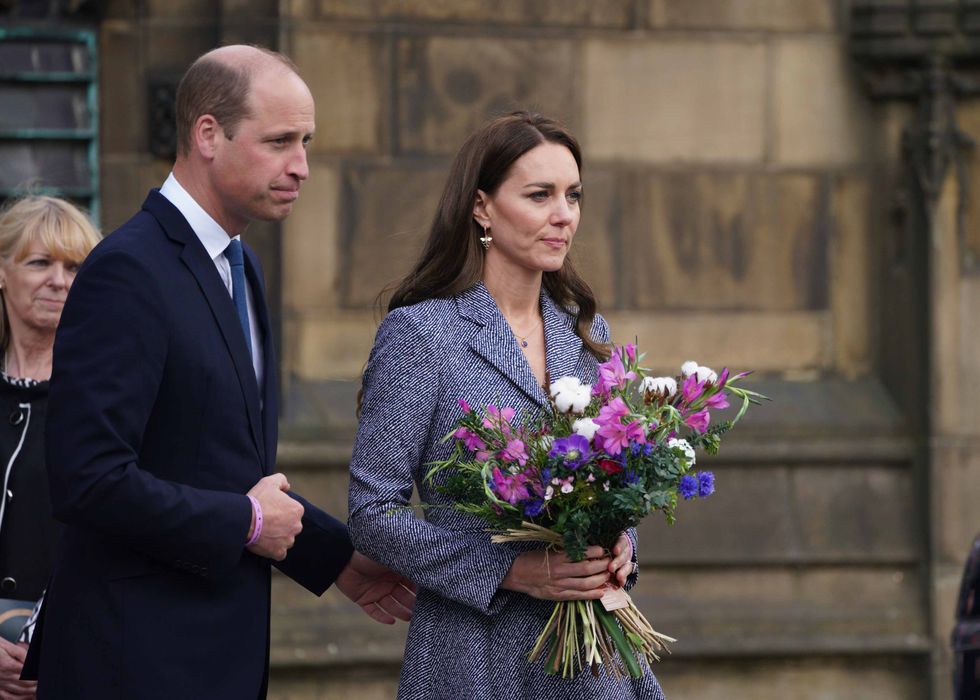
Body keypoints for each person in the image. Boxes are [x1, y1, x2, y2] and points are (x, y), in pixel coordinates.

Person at [22, 45, 415, 699]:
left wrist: (336, 558)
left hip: (217, 658)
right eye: (280, 141)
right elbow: (88, 480)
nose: (302, 166)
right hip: (133, 664)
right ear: (208, 134)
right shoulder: (128, 270)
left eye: (306, 143)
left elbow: (223, 466)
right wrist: (246, 523)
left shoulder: (241, 265)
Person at [347, 112, 666, 699]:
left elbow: (610, 481)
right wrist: (513, 571)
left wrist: (619, 544)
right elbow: (373, 515)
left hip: (592, 664)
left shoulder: (586, 333)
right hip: (475, 656)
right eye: (540, 195)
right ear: (482, 207)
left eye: (573, 195)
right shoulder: (421, 334)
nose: (564, 214)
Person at [0, 196, 100, 700]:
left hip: (75, 655)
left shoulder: (107, 398)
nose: (59, 281)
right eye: (40, 263)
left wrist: (46, 641)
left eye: (75, 267)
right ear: (2, 273)